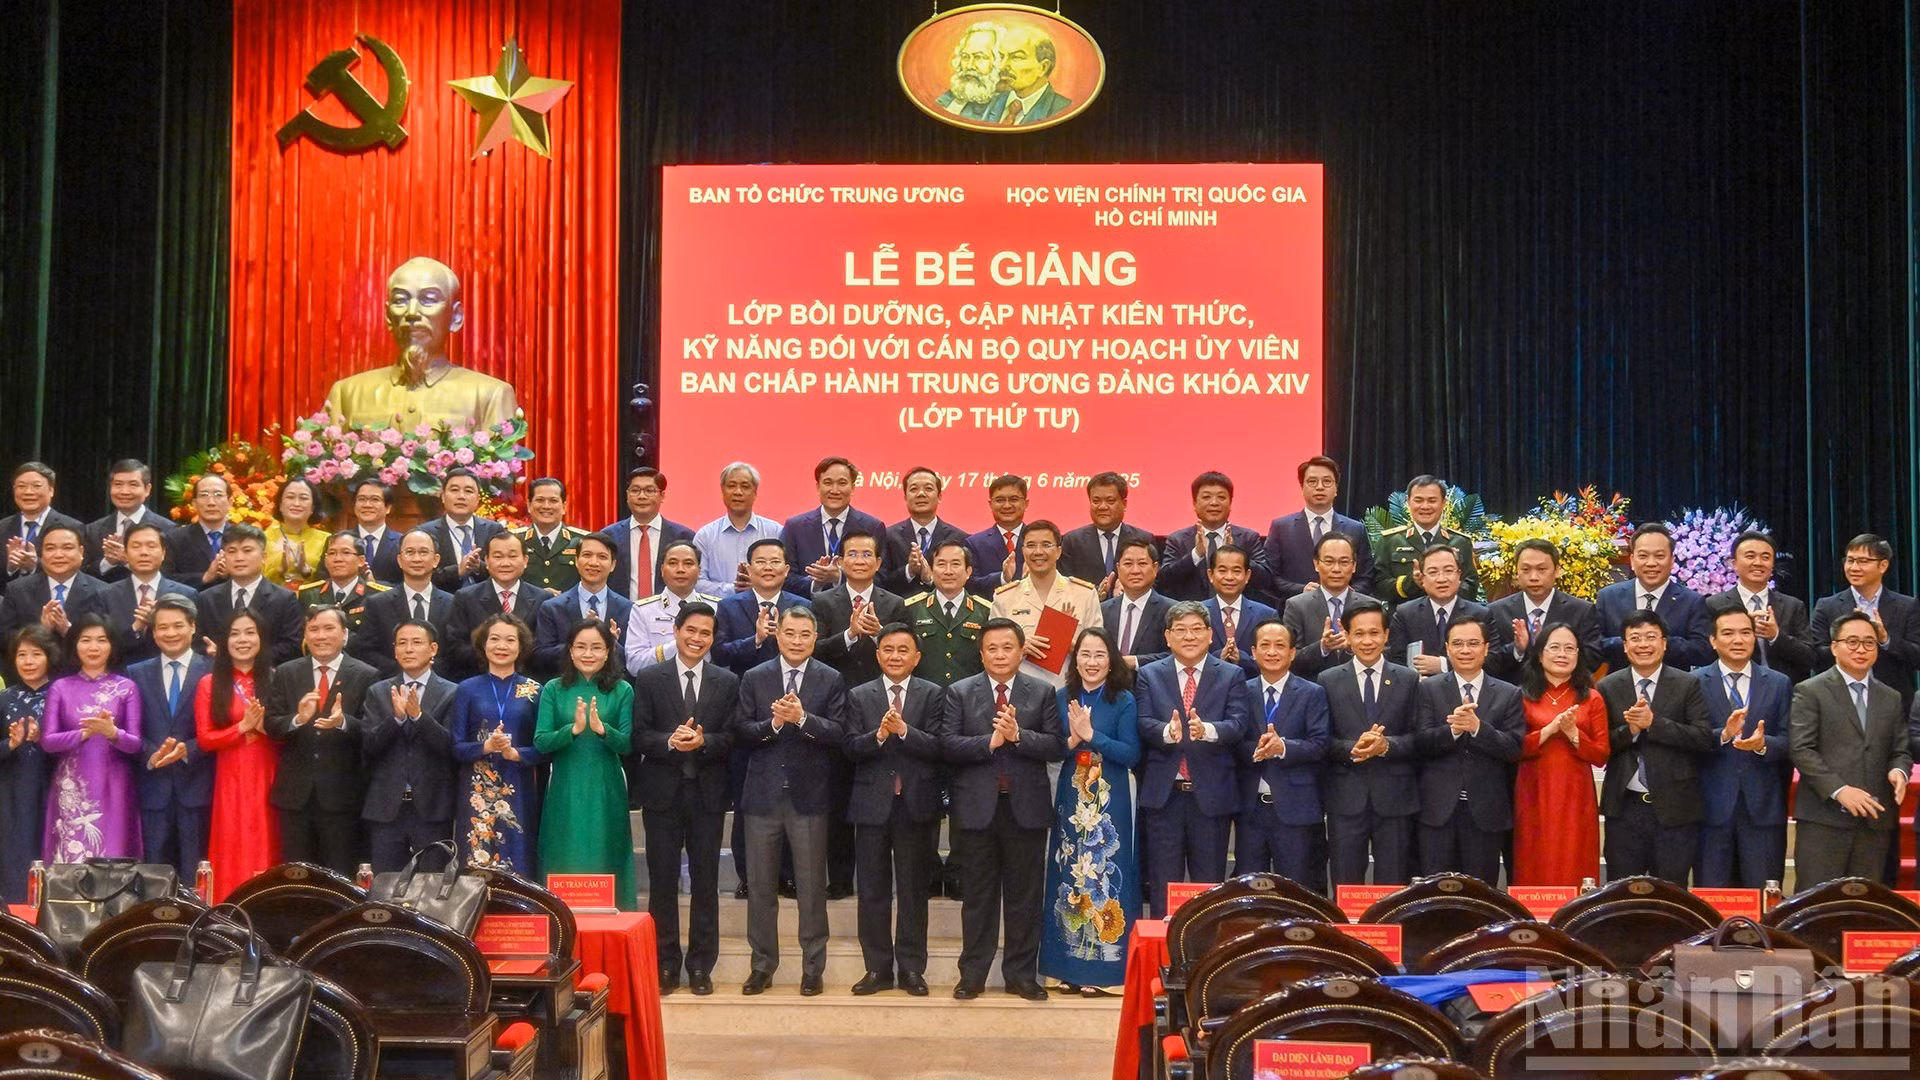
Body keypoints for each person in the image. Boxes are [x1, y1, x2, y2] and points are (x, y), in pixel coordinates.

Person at [941, 618, 1063, 1001]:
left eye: (1007, 647)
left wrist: (1019, 737)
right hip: (976, 810)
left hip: (1025, 809)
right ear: (981, 654)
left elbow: (1056, 746)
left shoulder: (1041, 692)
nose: (999, 654)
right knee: (978, 897)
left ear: (1020, 650)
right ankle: (972, 975)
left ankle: (1021, 975)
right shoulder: (960, 692)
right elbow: (947, 745)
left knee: (1024, 898)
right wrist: (990, 742)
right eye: (992, 648)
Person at [730, 607, 848, 995]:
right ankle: (762, 965)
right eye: (790, 633)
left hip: (810, 797)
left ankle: (813, 967)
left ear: (815, 638)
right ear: (777, 635)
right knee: (760, 886)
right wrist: (775, 724)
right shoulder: (755, 676)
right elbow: (742, 730)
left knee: (812, 888)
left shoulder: (830, 678)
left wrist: (802, 719)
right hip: (762, 796)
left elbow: (838, 733)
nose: (797, 641)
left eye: (805, 635)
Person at [629, 601, 738, 997]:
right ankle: (665, 963)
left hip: (708, 796)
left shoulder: (726, 681)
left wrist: (704, 741)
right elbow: (638, 735)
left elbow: (732, 736)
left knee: (706, 883)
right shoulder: (650, 678)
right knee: (662, 883)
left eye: (705, 633)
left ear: (713, 638)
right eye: (690, 630)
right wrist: (670, 742)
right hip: (662, 795)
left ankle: (700, 966)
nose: (697, 639)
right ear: (675, 631)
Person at [844, 623, 949, 997]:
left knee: (912, 891)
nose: (895, 656)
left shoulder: (933, 694)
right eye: (888, 649)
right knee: (872, 890)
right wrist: (878, 735)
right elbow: (850, 748)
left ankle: (911, 969)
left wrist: (904, 730)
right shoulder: (859, 695)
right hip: (871, 806)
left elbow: (940, 746)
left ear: (917, 657)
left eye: (903, 650)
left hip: (916, 806)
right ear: (878, 655)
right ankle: (877, 969)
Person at [1040, 626, 1139, 993]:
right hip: (1071, 793)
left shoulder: (1123, 699)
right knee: (1070, 875)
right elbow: (1051, 749)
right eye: (1085, 654)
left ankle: (1103, 975)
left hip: (1110, 797)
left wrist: (1093, 735)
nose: (1092, 662)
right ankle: (1066, 968)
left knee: (1103, 875)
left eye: (1099, 655)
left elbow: (1131, 754)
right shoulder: (1061, 695)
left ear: (1110, 659)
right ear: (1074, 659)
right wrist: (1072, 738)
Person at [809, 529, 906, 898]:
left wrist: (883, 636)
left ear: (879, 562)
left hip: (880, 711)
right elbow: (813, 652)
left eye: (867, 555)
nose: (860, 561)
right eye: (852, 554)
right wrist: (849, 634)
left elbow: (907, 653)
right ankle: (839, 879)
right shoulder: (825, 602)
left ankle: (875, 879)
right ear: (841, 561)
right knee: (837, 797)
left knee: (875, 796)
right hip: (835, 709)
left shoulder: (895, 604)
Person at [1136, 602, 1249, 908]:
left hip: (1211, 797)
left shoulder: (1231, 675)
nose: (1189, 636)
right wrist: (1166, 732)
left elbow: (1238, 724)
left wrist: (1207, 730)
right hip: (1164, 796)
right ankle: (1163, 953)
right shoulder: (1149, 674)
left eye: (1197, 629)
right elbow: (1144, 722)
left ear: (1211, 635)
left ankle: (1205, 955)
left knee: (1210, 888)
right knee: (1163, 886)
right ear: (1168, 637)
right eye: (1181, 630)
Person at [323, 255, 520, 430]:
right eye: (400, 300)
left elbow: (498, 468)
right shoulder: (347, 393)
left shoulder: (489, 396)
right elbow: (320, 467)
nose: (412, 313)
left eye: (429, 300)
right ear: (388, 316)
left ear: (455, 317)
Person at [1792, 613, 1912, 887]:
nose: (1861, 649)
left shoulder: (1891, 697)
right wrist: (1841, 791)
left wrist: (1899, 771)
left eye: (1869, 643)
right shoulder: (1810, 691)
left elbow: (1900, 750)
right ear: (1834, 647)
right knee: (1818, 906)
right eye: (1853, 641)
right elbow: (1801, 749)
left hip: (1875, 819)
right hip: (1824, 820)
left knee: (1865, 908)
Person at [1596, 610, 1715, 884]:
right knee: (1622, 893)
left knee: (1672, 892)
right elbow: (1602, 746)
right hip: (1624, 807)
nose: (1643, 645)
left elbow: (1702, 738)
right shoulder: (1608, 686)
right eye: (1635, 638)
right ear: (1625, 646)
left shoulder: (1688, 684)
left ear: (1664, 643)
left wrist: (1653, 724)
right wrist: (1631, 730)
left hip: (1675, 807)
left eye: (1651, 637)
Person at [263, 606, 379, 874]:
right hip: (295, 796)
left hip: (343, 796)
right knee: (296, 875)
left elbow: (372, 731)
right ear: (305, 634)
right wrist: (298, 719)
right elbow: (271, 724)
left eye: (329, 629)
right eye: (314, 629)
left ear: (345, 634)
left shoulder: (365, 674)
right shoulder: (286, 672)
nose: (321, 636)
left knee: (340, 874)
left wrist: (343, 722)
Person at [1412, 613, 1524, 881]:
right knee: (1435, 892)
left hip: (1486, 811)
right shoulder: (1428, 689)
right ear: (1447, 649)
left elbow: (1513, 748)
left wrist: (1477, 728)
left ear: (1486, 648)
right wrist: (1453, 729)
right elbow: (1421, 742)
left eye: (1473, 643)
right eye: (1457, 643)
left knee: (1480, 893)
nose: (1465, 650)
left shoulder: (1509, 693)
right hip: (1437, 810)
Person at [1316, 600, 1420, 886]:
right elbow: (1322, 740)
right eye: (1359, 634)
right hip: (1346, 798)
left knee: (1394, 884)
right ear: (1347, 636)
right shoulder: (1328, 680)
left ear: (1386, 635)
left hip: (1395, 797)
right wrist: (1354, 748)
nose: (1367, 641)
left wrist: (1386, 745)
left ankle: (1390, 932)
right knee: (1345, 881)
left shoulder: (1409, 679)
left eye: (1374, 633)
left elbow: (1419, 738)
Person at [536, 620, 636, 907]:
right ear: (570, 651)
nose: (588, 654)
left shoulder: (622, 690)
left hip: (606, 785)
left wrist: (603, 730)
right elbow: (541, 741)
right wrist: (573, 731)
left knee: (606, 851)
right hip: (566, 785)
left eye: (596, 647)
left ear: (608, 652)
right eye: (580, 647)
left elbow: (629, 744)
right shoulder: (554, 689)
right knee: (565, 851)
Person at [1693, 607, 1793, 889]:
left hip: (1763, 807)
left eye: (1745, 632)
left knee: (1763, 897)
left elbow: (1791, 741)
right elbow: (1689, 739)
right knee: (1712, 899)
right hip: (1710, 808)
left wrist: (1764, 745)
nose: (1738, 639)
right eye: (1728, 633)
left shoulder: (1778, 683)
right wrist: (1722, 735)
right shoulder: (1694, 683)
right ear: (1713, 641)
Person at [1512, 623, 1610, 885]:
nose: (1562, 654)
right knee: (1534, 854)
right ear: (1540, 654)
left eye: (1570, 648)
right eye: (1554, 647)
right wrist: (1550, 730)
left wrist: (1573, 734)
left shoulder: (1591, 698)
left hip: (1575, 793)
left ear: (1579, 655)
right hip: (1534, 789)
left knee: (1574, 855)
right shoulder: (1521, 696)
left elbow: (1601, 754)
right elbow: (1512, 747)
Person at [1235, 619, 1329, 890]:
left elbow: (1320, 744)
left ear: (1292, 653)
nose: (1272, 652)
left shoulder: (1312, 692)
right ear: (1253, 652)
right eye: (1265, 645)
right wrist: (1258, 749)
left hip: (1296, 808)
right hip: (1250, 809)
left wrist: (1283, 747)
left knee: (1297, 889)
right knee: (1249, 890)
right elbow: (1233, 739)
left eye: (1280, 646)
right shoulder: (1241, 689)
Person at [41, 614, 143, 861]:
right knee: (70, 859)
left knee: (114, 854)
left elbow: (136, 744)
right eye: (86, 640)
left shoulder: (126, 687)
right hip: (72, 785)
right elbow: (48, 741)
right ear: (75, 644)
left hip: (115, 784)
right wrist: (83, 734)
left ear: (112, 646)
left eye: (101, 640)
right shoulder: (60, 687)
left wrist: (112, 733)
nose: (94, 647)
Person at [194, 610, 278, 900]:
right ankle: (226, 909)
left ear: (261, 638)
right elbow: (205, 739)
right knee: (232, 842)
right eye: (235, 633)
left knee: (267, 840)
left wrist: (264, 728)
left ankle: (268, 908)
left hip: (269, 774)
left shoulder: (277, 678)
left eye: (250, 632)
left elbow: (287, 736)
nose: (243, 640)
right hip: (230, 777)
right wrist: (242, 727)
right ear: (224, 640)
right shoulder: (209, 683)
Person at [364, 620, 459, 873]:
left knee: (430, 886)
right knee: (386, 888)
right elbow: (369, 746)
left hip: (433, 807)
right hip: (386, 808)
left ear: (433, 649)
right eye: (402, 643)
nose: (408, 649)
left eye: (416, 642)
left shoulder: (453, 692)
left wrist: (418, 717)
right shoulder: (378, 691)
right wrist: (396, 719)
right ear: (394, 651)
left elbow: (451, 747)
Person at [452, 615, 544, 876]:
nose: (501, 645)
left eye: (510, 640)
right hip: (476, 788)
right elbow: (456, 747)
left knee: (519, 856)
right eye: (494, 639)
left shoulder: (535, 690)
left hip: (520, 784)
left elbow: (545, 748)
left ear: (521, 646)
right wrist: (486, 746)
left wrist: (516, 753)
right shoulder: (466, 689)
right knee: (476, 863)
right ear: (483, 645)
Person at [128, 595, 212, 879]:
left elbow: (223, 725)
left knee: (196, 872)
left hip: (198, 785)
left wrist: (189, 749)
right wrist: (151, 753)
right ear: (153, 632)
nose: (171, 633)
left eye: (178, 625)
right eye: (163, 627)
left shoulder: (214, 670)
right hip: (153, 786)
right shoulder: (136, 673)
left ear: (193, 627)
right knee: (153, 874)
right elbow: (131, 729)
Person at [1809, 534, 1919, 711]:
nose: (1854, 567)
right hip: (1838, 704)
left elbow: (1917, 657)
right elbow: (1815, 657)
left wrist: (1885, 640)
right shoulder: (1827, 606)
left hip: (1894, 706)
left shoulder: (1907, 606)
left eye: (1863, 561)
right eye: (1850, 560)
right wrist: (1847, 643)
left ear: (1883, 565)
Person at [990, 521, 1103, 685]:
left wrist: (1073, 646)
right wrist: (1018, 648)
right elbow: (992, 653)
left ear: (1058, 551)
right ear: (1023, 551)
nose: (1038, 552)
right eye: (1031, 545)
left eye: (1046, 545)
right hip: (1022, 694)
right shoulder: (1005, 597)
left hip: (1069, 691)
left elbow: (1100, 652)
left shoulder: (1084, 594)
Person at [1596, 522, 1715, 671]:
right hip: (1619, 688)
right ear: (1632, 561)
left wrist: (1660, 642)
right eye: (1643, 556)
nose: (1651, 563)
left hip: (1674, 689)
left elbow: (1704, 651)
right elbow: (1594, 644)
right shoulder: (1608, 597)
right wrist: (1628, 642)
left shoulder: (1692, 601)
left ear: (1672, 561)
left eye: (1659, 556)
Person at [1705, 531, 1818, 684]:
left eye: (1765, 557)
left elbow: (1810, 658)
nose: (1758, 563)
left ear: (1772, 565)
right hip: (1732, 688)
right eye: (1750, 556)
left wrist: (1776, 636)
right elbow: (1705, 654)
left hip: (1784, 692)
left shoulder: (1793, 605)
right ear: (1734, 564)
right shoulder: (1713, 604)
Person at [1485, 538, 1605, 681]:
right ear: (1516, 571)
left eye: (1542, 569)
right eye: (1525, 570)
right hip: (1513, 695)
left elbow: (1592, 659)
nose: (1534, 577)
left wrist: (1554, 650)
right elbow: (1490, 662)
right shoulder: (1496, 611)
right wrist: (1517, 649)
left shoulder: (1581, 610)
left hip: (1565, 693)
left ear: (1556, 570)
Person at [442, 532, 555, 681]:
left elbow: (543, 648)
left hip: (528, 683)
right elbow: (455, 648)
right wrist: (493, 654)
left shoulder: (542, 599)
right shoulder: (465, 598)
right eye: (498, 556)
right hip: (479, 680)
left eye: (512, 556)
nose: (505, 563)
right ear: (487, 561)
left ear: (525, 560)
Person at [1265, 456, 1374, 604]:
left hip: (1344, 613)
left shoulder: (1355, 529)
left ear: (1336, 489)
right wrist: (1301, 590)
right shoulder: (1281, 528)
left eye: (1327, 481)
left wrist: (1347, 594)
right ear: (1301, 488)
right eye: (1312, 481)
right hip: (1295, 613)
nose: (1320, 487)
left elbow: (1366, 576)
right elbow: (1271, 576)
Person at [0, 626, 58, 902]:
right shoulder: (5, 698)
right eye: (22, 655)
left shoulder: (62, 693)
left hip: (54, 787)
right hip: (14, 791)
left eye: (36, 654)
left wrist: (43, 739)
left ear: (49, 656)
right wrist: (10, 745)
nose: (28, 661)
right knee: (16, 856)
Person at [194, 524, 303, 666]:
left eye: (247, 551)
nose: (239, 558)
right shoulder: (206, 598)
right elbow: (197, 642)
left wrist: (245, 658)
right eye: (232, 551)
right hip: (217, 675)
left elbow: (292, 645)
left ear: (264, 557)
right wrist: (210, 652)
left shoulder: (285, 599)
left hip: (267, 677)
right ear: (223, 556)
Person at [351, 528, 454, 677]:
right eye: (410, 552)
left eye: (423, 552)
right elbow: (365, 650)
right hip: (390, 683)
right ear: (400, 560)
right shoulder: (377, 604)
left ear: (436, 560)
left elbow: (455, 652)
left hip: (441, 687)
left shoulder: (452, 603)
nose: (416, 559)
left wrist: (427, 669)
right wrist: (404, 668)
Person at [1159, 472, 1273, 604]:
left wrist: (1236, 552)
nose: (1214, 503)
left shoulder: (1248, 537)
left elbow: (1266, 580)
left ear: (1230, 503)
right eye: (1206, 497)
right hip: (1192, 616)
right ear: (1194, 504)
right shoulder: (1178, 539)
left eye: (1221, 497)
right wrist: (1196, 554)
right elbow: (1164, 581)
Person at [781, 456, 887, 598]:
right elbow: (784, 576)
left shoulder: (873, 527)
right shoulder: (795, 527)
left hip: (855, 611)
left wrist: (839, 577)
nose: (834, 490)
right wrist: (815, 583)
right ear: (818, 487)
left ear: (853, 487)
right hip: (807, 612)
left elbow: (882, 578)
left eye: (842, 483)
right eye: (828, 483)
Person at [1371, 476, 1482, 609]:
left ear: (1443, 503)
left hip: (1451, 620)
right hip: (1404, 621)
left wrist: (1443, 587)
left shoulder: (1460, 542)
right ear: (1408, 502)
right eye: (1418, 500)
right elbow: (1378, 587)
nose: (1425, 506)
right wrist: (1411, 583)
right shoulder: (1390, 541)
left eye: (1432, 500)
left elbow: (1471, 587)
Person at [532, 531, 630, 679]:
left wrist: (611, 642)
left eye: (602, 557)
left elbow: (632, 660)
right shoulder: (552, 607)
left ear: (613, 565)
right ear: (577, 561)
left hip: (612, 690)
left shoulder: (628, 608)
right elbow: (540, 657)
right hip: (565, 688)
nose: (593, 563)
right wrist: (580, 643)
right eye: (587, 555)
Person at [104, 521, 198, 665]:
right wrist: (135, 628)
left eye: (151, 546)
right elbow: (103, 645)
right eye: (136, 546)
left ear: (163, 553)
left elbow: (196, 642)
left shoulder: (187, 594)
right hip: (121, 675)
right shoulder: (106, 595)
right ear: (125, 553)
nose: (144, 552)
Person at [1282, 533, 1374, 679]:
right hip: (1314, 689)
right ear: (1316, 564)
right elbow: (1288, 658)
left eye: (1344, 562)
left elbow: (1386, 654)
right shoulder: (1297, 606)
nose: (1336, 569)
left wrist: (1354, 646)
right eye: (1329, 561)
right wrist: (1322, 647)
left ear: (1354, 566)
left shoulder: (1370, 607)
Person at [0, 522, 110, 643]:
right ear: (40, 553)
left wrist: (68, 630)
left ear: (81, 552)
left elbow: (109, 640)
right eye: (50, 548)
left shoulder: (103, 592)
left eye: (67, 548)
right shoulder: (17, 590)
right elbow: (5, 639)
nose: (58, 555)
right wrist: (41, 631)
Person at [714, 538, 810, 674]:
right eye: (760, 562)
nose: (768, 568)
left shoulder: (804, 606)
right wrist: (756, 640)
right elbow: (719, 655)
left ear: (786, 570)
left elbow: (814, 651)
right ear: (749, 570)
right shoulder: (728, 606)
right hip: (744, 690)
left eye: (775, 562)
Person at [624, 540, 721, 672]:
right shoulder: (643, 610)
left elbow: (724, 659)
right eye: (673, 563)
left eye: (688, 564)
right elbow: (634, 665)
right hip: (660, 686)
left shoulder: (717, 608)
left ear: (699, 571)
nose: (680, 569)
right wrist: (679, 644)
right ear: (662, 570)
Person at [692, 462, 783, 598]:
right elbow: (696, 582)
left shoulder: (776, 532)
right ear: (722, 491)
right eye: (731, 486)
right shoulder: (705, 536)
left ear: (755, 493)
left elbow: (788, 576)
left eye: (745, 487)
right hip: (719, 612)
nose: (738, 492)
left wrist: (761, 585)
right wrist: (733, 589)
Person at [1389, 546, 1488, 673]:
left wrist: (1443, 664)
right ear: (1422, 579)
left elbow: (1492, 661)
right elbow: (1395, 662)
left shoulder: (1480, 615)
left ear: (1459, 576)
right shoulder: (1405, 614)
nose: (1441, 579)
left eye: (1448, 571)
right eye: (1433, 572)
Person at [604, 467, 696, 600]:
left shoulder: (683, 536)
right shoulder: (609, 536)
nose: (642, 496)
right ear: (627, 495)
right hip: (622, 614)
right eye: (635, 490)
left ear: (662, 496)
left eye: (649, 490)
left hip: (669, 614)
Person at [1060, 472, 1158, 594]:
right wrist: (1097, 592)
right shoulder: (1072, 541)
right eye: (1096, 501)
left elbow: (1155, 583)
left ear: (1124, 504)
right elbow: (1065, 585)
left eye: (1110, 501)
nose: (1102, 507)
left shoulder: (1143, 539)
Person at [83, 459, 177, 583]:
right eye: (118, 484)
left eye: (133, 485)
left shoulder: (169, 529)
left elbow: (172, 575)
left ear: (147, 489)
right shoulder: (93, 529)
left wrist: (129, 560)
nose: (124, 491)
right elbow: (83, 574)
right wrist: (108, 562)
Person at [880, 465, 968, 597]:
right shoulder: (888, 536)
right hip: (901, 612)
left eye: (928, 488)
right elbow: (881, 580)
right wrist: (908, 571)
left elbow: (966, 582)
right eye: (914, 489)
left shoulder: (959, 538)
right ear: (905, 497)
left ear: (939, 497)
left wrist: (930, 578)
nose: (921, 494)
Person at [419, 468, 504, 595]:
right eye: (454, 490)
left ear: (477, 499)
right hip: (444, 604)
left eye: (468, 491)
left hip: (485, 604)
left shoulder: (494, 530)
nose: (461, 496)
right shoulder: (425, 533)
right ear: (442, 497)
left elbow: (505, 570)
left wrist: (478, 568)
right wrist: (457, 570)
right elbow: (420, 575)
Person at [3, 462, 83, 584]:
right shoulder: (2, 527)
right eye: (21, 486)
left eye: (36, 486)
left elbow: (80, 571)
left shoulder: (72, 527)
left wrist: (36, 565)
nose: (28, 492)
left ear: (51, 490)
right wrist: (10, 568)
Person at [296, 533, 388, 635]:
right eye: (332, 553)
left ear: (361, 560)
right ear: (325, 561)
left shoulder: (378, 596)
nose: (338, 559)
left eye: (346, 552)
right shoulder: (309, 594)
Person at [980, 24, 1073, 125]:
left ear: (1043, 67)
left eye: (1016, 57)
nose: (1002, 66)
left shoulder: (1063, 110)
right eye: (1002, 56)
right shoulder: (990, 102)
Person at [1205, 545, 1275, 679]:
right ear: (1211, 575)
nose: (1229, 577)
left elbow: (1274, 659)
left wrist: (1242, 658)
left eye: (1236, 571)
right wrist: (1218, 656)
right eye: (1222, 570)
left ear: (1247, 575)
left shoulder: (1266, 615)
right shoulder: (1196, 613)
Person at [1103, 538, 1173, 669]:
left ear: (1155, 568)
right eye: (1128, 564)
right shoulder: (1103, 610)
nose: (1135, 570)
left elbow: (1178, 654)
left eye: (1142, 563)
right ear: (1118, 568)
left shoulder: (1172, 610)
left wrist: (1136, 661)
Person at [513, 477, 586, 593]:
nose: (546, 506)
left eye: (553, 501)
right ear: (529, 505)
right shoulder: (514, 540)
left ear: (564, 507)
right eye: (540, 500)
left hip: (567, 609)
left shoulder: (582, 541)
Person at [965, 474, 1031, 597]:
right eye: (1000, 500)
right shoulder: (974, 543)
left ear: (1026, 503)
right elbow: (970, 584)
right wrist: (1002, 578)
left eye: (1014, 499)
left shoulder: (1040, 541)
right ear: (990, 504)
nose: (1007, 505)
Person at [165, 473, 234, 585]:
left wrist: (231, 573)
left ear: (230, 502)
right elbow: (166, 579)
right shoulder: (175, 538)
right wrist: (205, 577)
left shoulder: (241, 537)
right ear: (194, 503)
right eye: (204, 495)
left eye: (218, 495)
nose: (211, 503)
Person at [263, 477, 329, 588]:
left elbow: (333, 580)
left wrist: (307, 572)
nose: (297, 503)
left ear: (313, 507)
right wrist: (279, 571)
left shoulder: (327, 540)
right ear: (280, 505)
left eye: (303, 498)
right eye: (290, 497)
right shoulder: (264, 538)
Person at [345, 477, 403, 585]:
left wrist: (374, 584)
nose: (367, 505)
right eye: (361, 499)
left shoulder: (402, 542)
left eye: (375, 499)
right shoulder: (339, 541)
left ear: (388, 508)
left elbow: (408, 584)